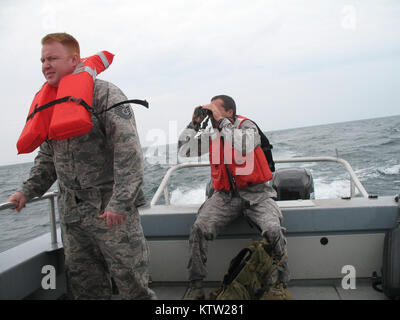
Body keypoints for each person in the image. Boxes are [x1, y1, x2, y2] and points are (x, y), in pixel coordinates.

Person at [8, 33, 156, 300]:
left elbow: (128, 152)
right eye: (42, 60)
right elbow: (46, 159)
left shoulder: (105, 94)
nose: (45, 65)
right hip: (73, 217)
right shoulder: (50, 104)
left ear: (74, 59)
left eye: (52, 58)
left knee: (133, 286)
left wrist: (120, 203)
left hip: (111, 213)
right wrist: (25, 191)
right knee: (86, 288)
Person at [178, 95, 290, 300]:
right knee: (199, 228)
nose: (210, 116)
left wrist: (223, 122)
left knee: (273, 229)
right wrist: (193, 124)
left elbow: (244, 146)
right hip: (225, 196)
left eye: (214, 110)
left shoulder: (247, 126)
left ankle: (280, 282)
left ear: (229, 112)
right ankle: (196, 285)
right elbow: (184, 151)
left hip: (257, 194)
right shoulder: (213, 132)